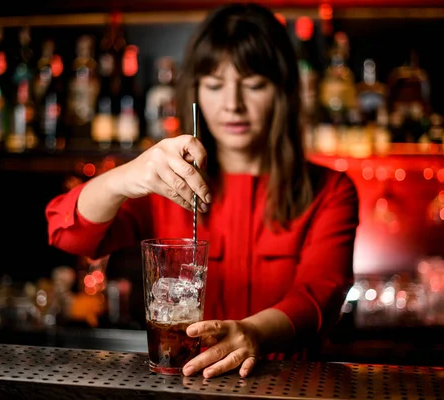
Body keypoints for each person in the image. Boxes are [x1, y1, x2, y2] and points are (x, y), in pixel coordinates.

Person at [46, 3, 359, 379]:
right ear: (194, 91)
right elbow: (67, 235)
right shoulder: (165, 180)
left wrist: (255, 333)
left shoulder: (331, 190)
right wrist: (124, 178)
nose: (232, 105)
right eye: (214, 85)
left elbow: (319, 296)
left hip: (289, 385)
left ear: (283, 91)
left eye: (254, 84)